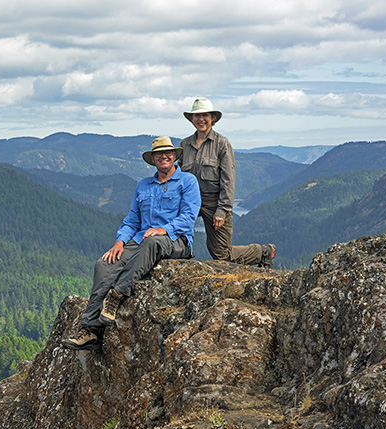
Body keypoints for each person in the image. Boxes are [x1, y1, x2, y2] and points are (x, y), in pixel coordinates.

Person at [62, 137, 201, 351]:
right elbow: (132, 220)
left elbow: (189, 217)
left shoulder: (188, 182)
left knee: (152, 242)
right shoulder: (143, 185)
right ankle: (90, 330)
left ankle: (116, 295)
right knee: (104, 264)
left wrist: (164, 229)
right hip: (141, 240)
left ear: (175, 156)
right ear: (153, 159)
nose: (164, 156)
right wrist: (119, 242)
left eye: (168, 153)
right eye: (158, 154)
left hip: (177, 240)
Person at [178, 97, 276, 268]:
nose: (201, 119)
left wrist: (222, 210)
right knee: (171, 233)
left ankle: (263, 252)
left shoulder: (222, 144)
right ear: (192, 119)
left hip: (214, 202)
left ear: (212, 118)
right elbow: (177, 176)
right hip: (189, 201)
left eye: (205, 115)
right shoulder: (184, 144)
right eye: (197, 116)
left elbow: (228, 180)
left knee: (221, 254)